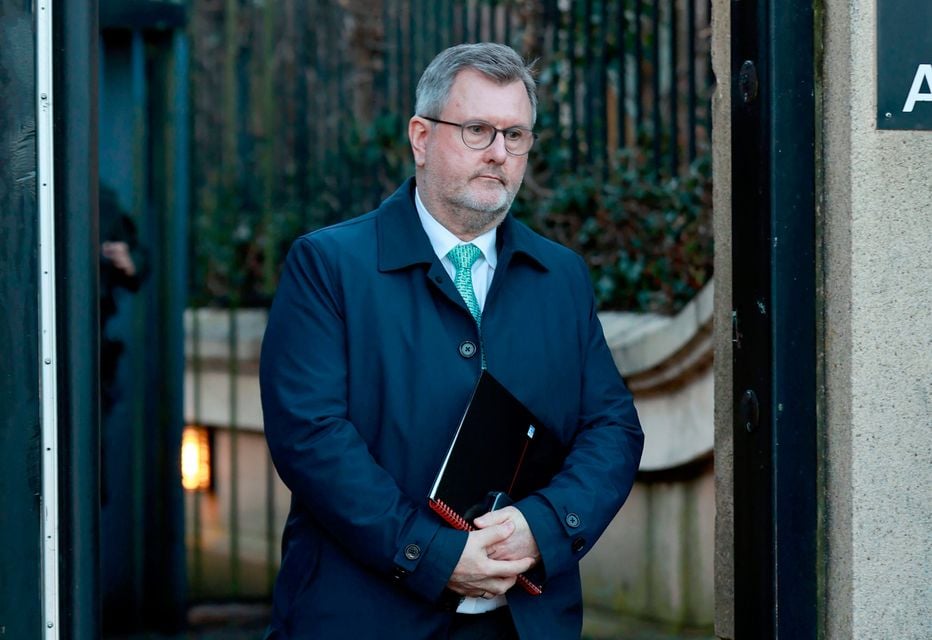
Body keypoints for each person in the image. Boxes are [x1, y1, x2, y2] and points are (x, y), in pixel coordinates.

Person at [260, 42, 643, 639]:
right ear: (420, 135)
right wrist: (434, 555)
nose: (498, 154)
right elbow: (310, 437)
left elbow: (613, 429)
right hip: (365, 619)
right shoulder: (329, 265)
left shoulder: (561, 276)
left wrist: (542, 527)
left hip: (523, 624)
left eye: (516, 136)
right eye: (476, 130)